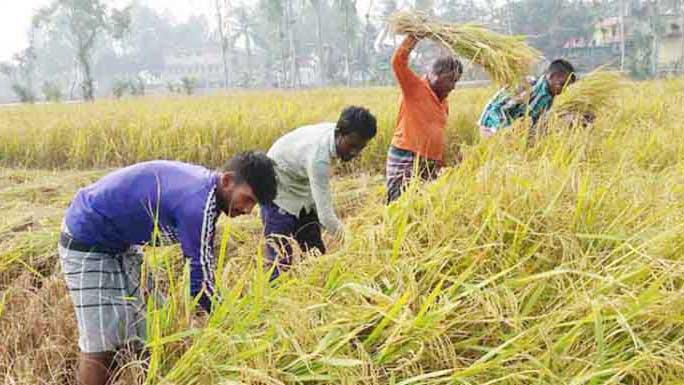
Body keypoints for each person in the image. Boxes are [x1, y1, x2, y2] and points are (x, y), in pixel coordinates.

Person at [58, 153, 277, 385]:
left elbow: (201, 267)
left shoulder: (206, 191)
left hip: (119, 243)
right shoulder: (199, 204)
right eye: (248, 199)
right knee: (102, 340)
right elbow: (200, 281)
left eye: (254, 205)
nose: (248, 210)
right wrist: (232, 325)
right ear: (227, 181)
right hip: (87, 237)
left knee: (152, 322)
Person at [262, 106, 377, 280]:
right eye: (352, 145)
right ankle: (272, 300)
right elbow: (326, 216)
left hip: (299, 185)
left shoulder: (338, 132)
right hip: (275, 188)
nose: (354, 153)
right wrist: (353, 243)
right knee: (280, 261)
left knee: (315, 253)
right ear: (339, 133)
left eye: (360, 147)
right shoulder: (319, 159)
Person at [386, 34, 463, 204]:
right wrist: (414, 37)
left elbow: (438, 135)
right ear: (436, 74)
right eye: (450, 80)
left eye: (456, 81)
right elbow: (397, 62)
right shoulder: (415, 88)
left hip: (428, 163)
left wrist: (439, 164)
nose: (453, 86)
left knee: (422, 208)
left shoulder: (444, 103)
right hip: (406, 157)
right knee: (398, 206)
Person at [478, 59, 577, 139]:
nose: (564, 90)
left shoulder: (549, 97)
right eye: (562, 84)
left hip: (512, 133)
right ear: (551, 76)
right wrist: (507, 130)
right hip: (491, 127)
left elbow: (535, 123)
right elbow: (497, 108)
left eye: (567, 86)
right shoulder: (527, 85)